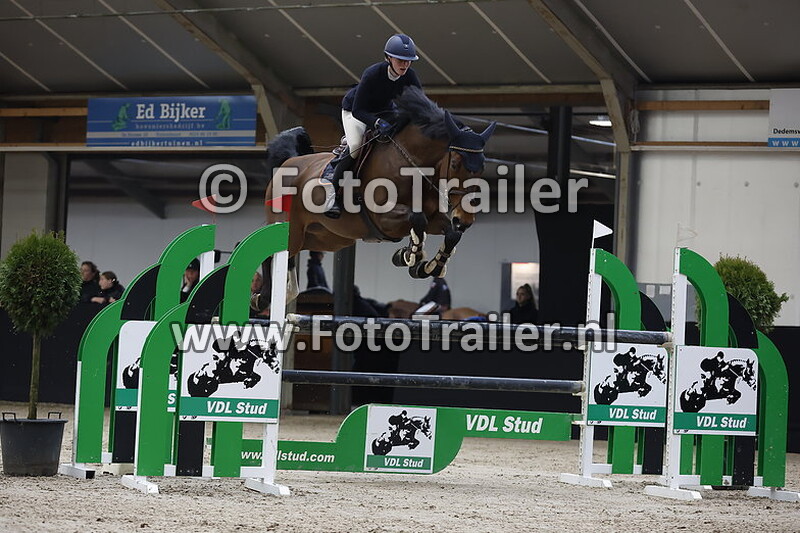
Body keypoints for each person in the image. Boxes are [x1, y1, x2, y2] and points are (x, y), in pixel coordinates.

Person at [323, 34, 423, 218]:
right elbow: (358, 110)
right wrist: (377, 123)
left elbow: (420, 104)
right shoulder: (373, 74)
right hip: (356, 111)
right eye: (400, 60)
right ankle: (332, 193)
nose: (405, 65)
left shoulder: (410, 76)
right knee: (355, 146)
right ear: (388, 58)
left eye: (408, 61)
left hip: (384, 110)